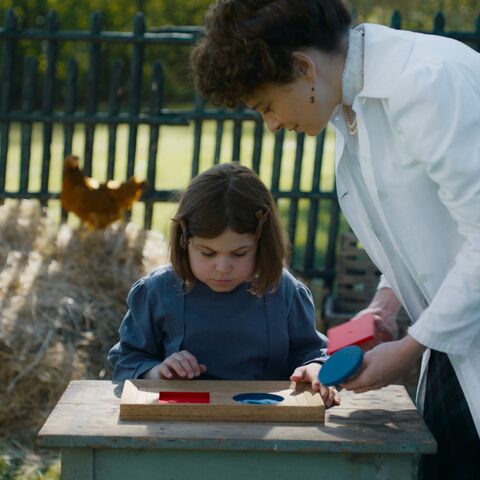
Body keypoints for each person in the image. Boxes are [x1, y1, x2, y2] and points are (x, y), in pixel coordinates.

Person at [190, 1, 480, 478]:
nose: (273, 125)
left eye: (266, 106)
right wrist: (385, 309)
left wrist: (409, 349)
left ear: (303, 67)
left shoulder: (430, 81)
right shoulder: (353, 103)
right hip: (456, 337)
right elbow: (421, 233)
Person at [109, 162, 340, 408]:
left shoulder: (283, 291)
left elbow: (315, 352)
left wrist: (315, 369)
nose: (222, 267)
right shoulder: (157, 292)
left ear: (262, 245)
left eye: (240, 253)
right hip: (179, 426)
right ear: (185, 241)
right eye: (207, 253)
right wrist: (157, 373)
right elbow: (127, 360)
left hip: (266, 428)